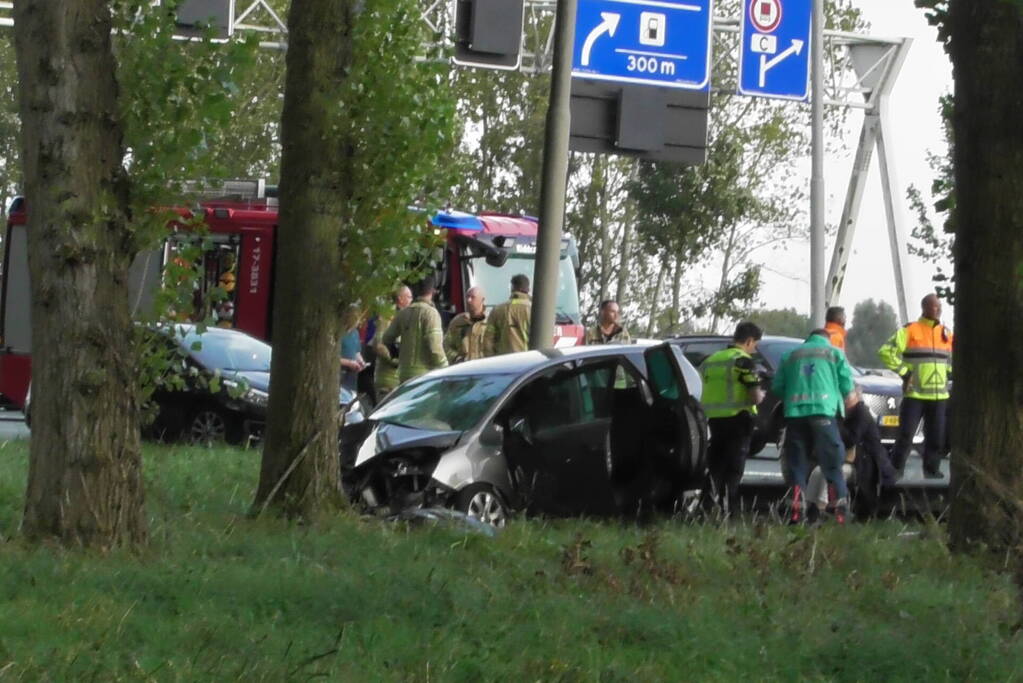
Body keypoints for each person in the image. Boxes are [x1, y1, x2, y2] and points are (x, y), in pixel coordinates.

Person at [772, 329, 856, 524]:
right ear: (828, 339)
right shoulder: (835, 354)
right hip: (824, 413)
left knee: (797, 463)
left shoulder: (790, 355)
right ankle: (839, 511)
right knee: (832, 462)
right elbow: (847, 387)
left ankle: (796, 510)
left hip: (795, 414)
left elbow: (777, 388)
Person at [878, 293, 953, 479]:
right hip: (915, 394)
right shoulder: (910, 330)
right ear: (925, 308)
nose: (939, 309)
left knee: (936, 437)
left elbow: (952, 359)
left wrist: (948, 373)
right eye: (935, 306)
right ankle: (895, 469)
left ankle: (931, 470)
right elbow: (885, 352)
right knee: (906, 435)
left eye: (940, 306)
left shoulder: (946, 333)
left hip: (939, 396)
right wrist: (904, 372)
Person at [805, 385, 898, 522]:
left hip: (864, 463)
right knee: (817, 472)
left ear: (856, 396)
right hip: (847, 460)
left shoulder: (861, 413)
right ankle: (809, 510)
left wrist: (833, 423)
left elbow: (850, 439)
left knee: (827, 473)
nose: (844, 399)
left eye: (847, 396)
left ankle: (822, 510)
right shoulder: (842, 413)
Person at [698, 322, 764, 514]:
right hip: (738, 420)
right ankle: (728, 510)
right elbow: (754, 396)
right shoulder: (743, 361)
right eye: (755, 345)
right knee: (734, 469)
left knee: (715, 466)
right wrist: (761, 395)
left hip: (715, 421)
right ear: (749, 341)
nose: (754, 350)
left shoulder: (711, 360)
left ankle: (706, 508)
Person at [381, 275, 448, 383]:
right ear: (433, 291)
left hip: (403, 374)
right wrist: (446, 368)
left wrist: (396, 353)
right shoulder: (431, 313)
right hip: (424, 376)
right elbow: (435, 348)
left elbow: (386, 338)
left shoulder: (404, 312)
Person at [371, 285, 413, 401]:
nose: (412, 300)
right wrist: (395, 361)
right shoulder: (387, 318)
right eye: (409, 297)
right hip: (387, 382)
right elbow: (378, 345)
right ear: (400, 299)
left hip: (400, 381)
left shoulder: (406, 318)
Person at [483, 274, 531, 356]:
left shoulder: (497, 310)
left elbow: (487, 340)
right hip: (528, 363)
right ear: (528, 289)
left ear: (512, 288)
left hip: (503, 363)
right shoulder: (536, 310)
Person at [444, 286, 488, 363]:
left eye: (472, 297)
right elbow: (446, 345)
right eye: (467, 297)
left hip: (485, 369)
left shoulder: (490, 321)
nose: (468, 300)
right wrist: (457, 359)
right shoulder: (457, 322)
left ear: (482, 300)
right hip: (463, 369)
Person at [339, 306, 366, 392]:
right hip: (340, 372)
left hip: (352, 373)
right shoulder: (339, 333)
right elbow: (333, 357)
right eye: (357, 319)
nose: (359, 322)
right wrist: (349, 363)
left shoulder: (355, 333)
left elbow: (357, 352)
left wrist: (361, 361)